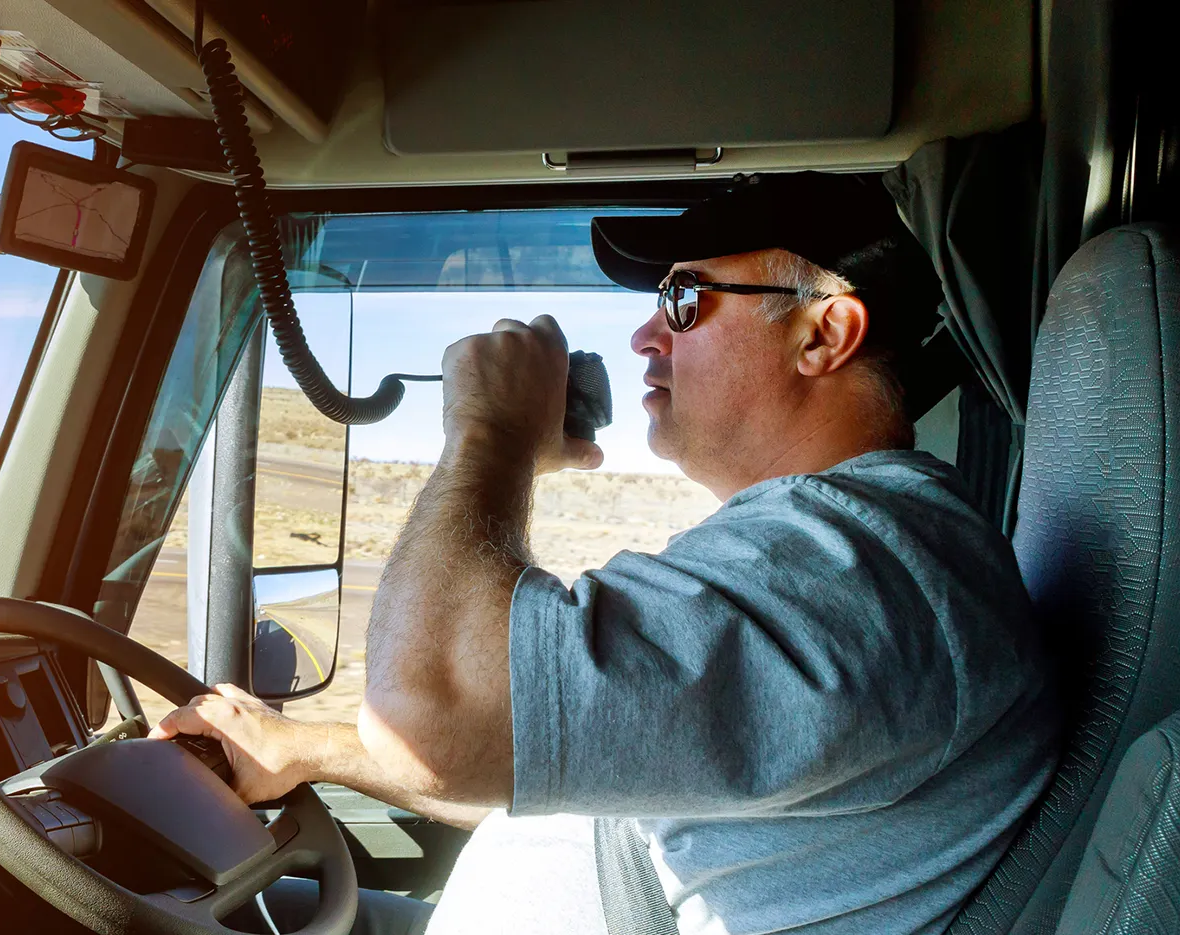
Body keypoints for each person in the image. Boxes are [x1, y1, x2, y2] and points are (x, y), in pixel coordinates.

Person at [154, 173, 1059, 935]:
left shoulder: (852, 572)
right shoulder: (842, 563)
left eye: (683, 299)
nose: (643, 334)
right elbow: (559, 750)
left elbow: (432, 713)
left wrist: (491, 431)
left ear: (823, 333)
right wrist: (304, 748)